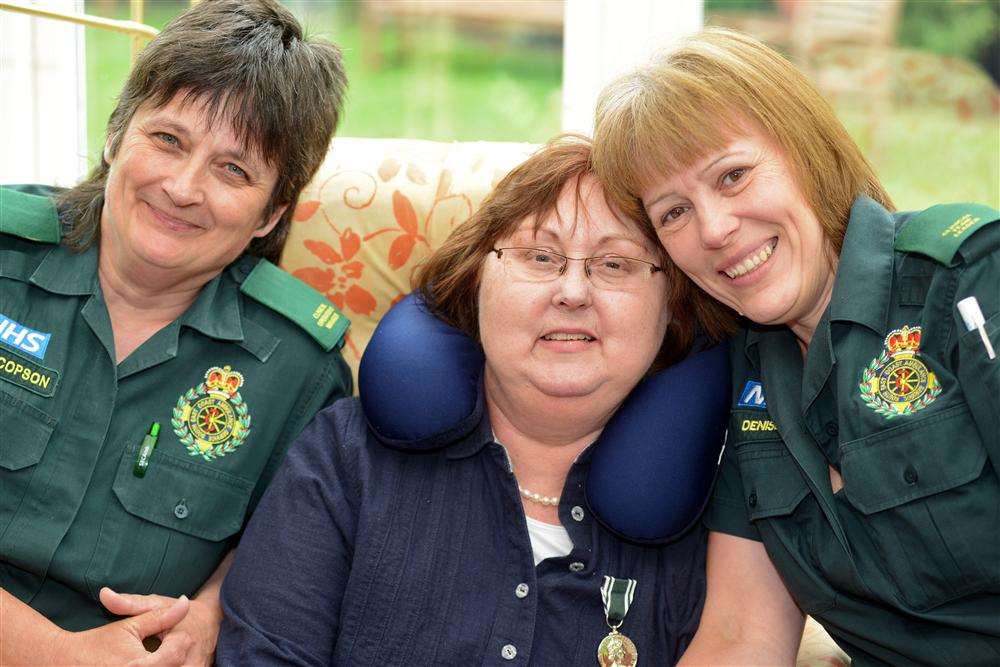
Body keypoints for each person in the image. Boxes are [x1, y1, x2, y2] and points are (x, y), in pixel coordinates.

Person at [590, 28, 999, 664]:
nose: (716, 230)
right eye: (673, 213)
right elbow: (741, 635)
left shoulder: (970, 282)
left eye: (733, 176)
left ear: (805, 151)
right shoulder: (749, 373)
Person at [216, 136, 707, 665]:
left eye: (615, 264)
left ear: (671, 308)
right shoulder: (346, 458)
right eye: (540, 256)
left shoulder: (717, 511)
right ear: (476, 279)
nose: (572, 291)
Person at [0, 1, 351, 664]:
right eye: (168, 140)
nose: (183, 188)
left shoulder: (299, 368)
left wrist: (221, 606)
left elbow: (302, 544)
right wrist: (51, 651)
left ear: (270, 216)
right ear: (115, 135)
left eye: (233, 170)